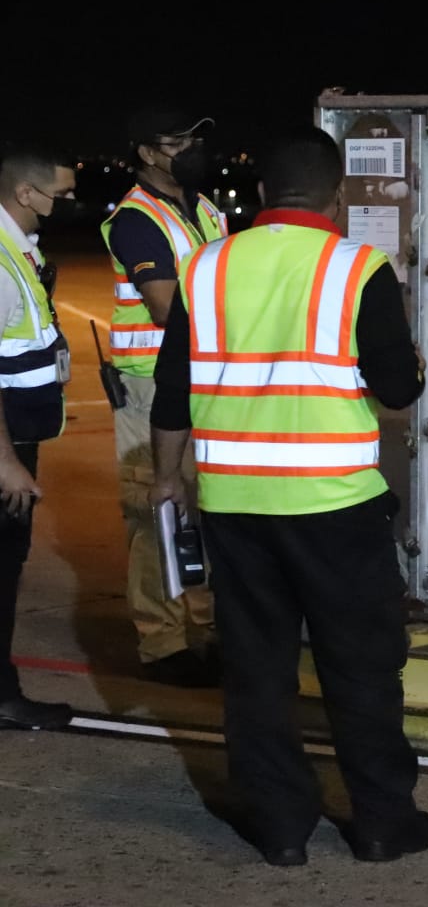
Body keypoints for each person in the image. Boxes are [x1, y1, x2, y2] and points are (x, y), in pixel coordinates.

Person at [149, 125, 428, 866]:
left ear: (266, 192)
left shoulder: (205, 268)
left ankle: (279, 826)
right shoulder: (357, 267)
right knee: (361, 665)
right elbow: (397, 394)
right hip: (334, 503)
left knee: (256, 668)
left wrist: (167, 478)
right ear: (337, 196)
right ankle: (379, 822)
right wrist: (415, 366)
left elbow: (171, 394)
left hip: (237, 508)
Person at [100, 107, 226, 687]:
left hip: (202, 376)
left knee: (203, 510)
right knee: (158, 510)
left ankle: (202, 627)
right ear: (148, 154)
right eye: (177, 142)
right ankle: (163, 640)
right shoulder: (136, 218)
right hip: (151, 383)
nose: (190, 150)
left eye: (195, 139)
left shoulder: (203, 209)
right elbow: (165, 307)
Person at [0, 145, 75, 731]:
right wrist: (6, 463)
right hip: (6, 447)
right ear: (26, 194)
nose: (66, 204)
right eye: (60, 194)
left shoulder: (22, 251)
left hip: (22, 435)